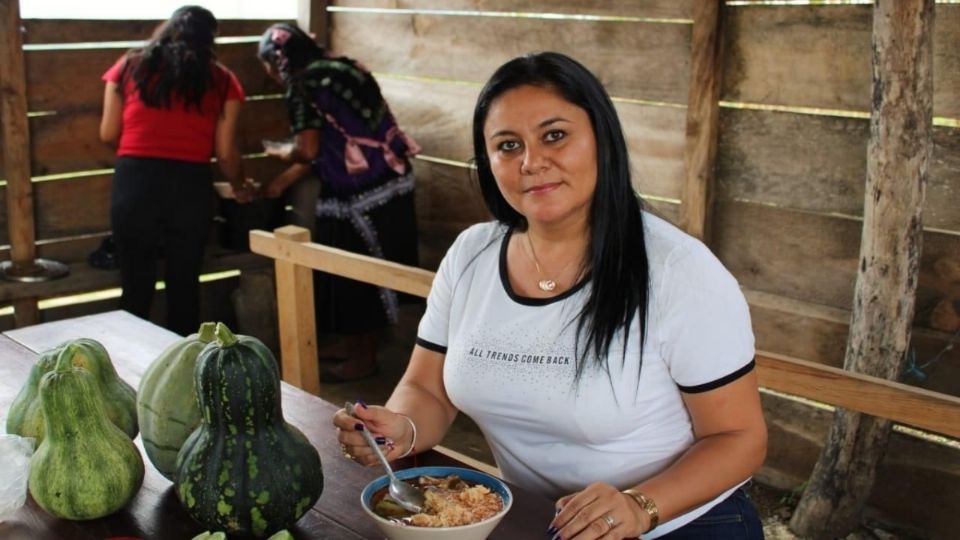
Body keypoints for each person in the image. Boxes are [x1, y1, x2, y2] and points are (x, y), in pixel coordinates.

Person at [333, 52, 767, 539]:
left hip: (682, 524)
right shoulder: (472, 255)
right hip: (542, 522)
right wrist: (400, 430)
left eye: (554, 135)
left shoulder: (678, 271)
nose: (532, 162)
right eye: (507, 145)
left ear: (602, 138)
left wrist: (640, 506)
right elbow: (427, 390)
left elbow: (740, 438)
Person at [257, 23, 421, 382]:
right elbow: (342, 138)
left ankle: (361, 360)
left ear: (277, 62)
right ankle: (355, 347)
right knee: (375, 274)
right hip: (392, 180)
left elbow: (308, 149)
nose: (270, 77)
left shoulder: (302, 86)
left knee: (352, 275)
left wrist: (281, 151)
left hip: (356, 195)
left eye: (267, 68)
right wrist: (283, 181)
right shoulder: (347, 67)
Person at [99, 5, 253, 336]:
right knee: (184, 284)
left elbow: (108, 134)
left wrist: (145, 153)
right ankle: (182, 373)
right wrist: (240, 185)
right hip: (190, 184)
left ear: (166, 28)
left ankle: (130, 370)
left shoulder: (129, 67)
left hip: (134, 180)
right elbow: (225, 152)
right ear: (211, 39)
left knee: (135, 285)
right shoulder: (222, 79)